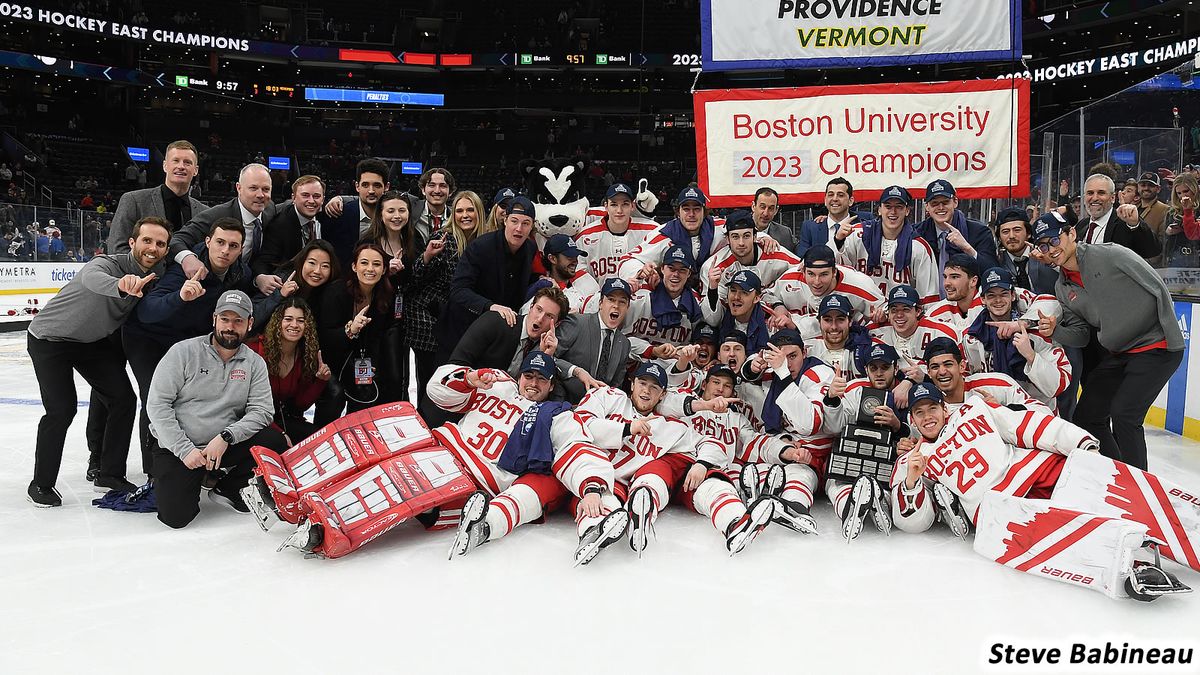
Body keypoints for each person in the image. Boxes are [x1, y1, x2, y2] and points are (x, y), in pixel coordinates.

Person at [891, 383, 1196, 601]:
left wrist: (1080, 443)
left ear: (945, 408)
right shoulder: (912, 460)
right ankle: (1132, 567)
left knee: (1112, 491)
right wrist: (912, 483)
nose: (927, 416)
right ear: (911, 420)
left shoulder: (974, 410)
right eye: (919, 412)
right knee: (1049, 527)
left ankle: (1184, 526)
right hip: (1002, 508)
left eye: (932, 408)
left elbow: (1026, 425)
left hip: (1041, 471)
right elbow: (913, 522)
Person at [25, 217, 169, 506]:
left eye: (160, 243)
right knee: (62, 410)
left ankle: (109, 474)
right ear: (132, 242)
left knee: (123, 399)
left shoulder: (158, 274)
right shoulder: (107, 264)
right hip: (49, 339)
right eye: (147, 240)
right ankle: (40, 484)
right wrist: (122, 285)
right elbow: (92, 279)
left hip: (90, 343)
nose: (153, 248)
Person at [1032, 212, 1185, 471]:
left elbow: (1157, 286)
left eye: (1055, 240)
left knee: (1124, 415)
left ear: (1071, 234)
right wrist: (1055, 331)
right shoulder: (1062, 288)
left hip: (1156, 347)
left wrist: (1170, 336)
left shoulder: (1110, 254)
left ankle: (1140, 486)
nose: (1051, 249)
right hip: (1121, 354)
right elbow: (1081, 335)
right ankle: (1119, 472)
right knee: (1087, 416)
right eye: (1044, 246)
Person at [145, 290, 287, 528]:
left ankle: (228, 488)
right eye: (225, 319)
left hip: (222, 446)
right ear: (214, 319)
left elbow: (262, 411)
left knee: (274, 441)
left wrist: (226, 437)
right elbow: (158, 405)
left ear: (249, 323)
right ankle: (197, 476)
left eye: (238, 320)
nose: (230, 327)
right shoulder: (183, 352)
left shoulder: (254, 363)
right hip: (182, 448)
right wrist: (184, 450)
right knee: (176, 518)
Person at [432, 351, 589, 558]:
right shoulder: (497, 382)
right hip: (441, 451)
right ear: (519, 376)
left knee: (430, 509)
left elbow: (575, 444)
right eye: (528, 376)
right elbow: (436, 391)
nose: (533, 383)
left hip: (478, 481)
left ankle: (466, 519)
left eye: (542, 379)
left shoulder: (552, 413)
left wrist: (591, 487)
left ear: (551, 386)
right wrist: (469, 380)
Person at [408, 190, 485, 421]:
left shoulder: (486, 240)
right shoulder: (445, 238)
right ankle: (426, 424)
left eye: (470, 210)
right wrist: (427, 257)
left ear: (479, 212)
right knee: (432, 383)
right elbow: (416, 278)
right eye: (459, 210)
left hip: (462, 323)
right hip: (430, 323)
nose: (464, 215)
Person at [437, 196, 537, 356]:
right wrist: (490, 306)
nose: (519, 228)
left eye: (525, 223)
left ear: (532, 226)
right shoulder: (480, 246)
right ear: (505, 220)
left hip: (498, 335)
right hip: (461, 331)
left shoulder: (530, 248)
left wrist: (544, 281)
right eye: (514, 221)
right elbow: (458, 290)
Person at [964, 268, 1072, 408]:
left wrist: (1031, 355)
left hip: (1037, 413)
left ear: (1013, 296)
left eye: (1004, 294)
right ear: (983, 299)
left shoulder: (1036, 335)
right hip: (994, 412)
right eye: (991, 296)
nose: (998, 300)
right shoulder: (972, 337)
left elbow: (1058, 385)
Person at [169, 163, 283, 292]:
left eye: (266, 189)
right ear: (239, 188)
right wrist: (188, 259)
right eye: (253, 188)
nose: (260, 195)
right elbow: (176, 240)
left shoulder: (269, 209)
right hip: (207, 288)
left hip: (247, 286)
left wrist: (258, 277)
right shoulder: (216, 215)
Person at [317, 243, 396, 420]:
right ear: (354, 266)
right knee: (335, 395)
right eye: (364, 263)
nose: (370, 269)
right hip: (330, 360)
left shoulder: (384, 295)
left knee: (368, 394)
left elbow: (377, 337)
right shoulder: (336, 292)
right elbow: (325, 338)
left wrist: (372, 364)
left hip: (360, 360)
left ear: (384, 269)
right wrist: (350, 330)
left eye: (377, 264)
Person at [833, 185, 939, 305]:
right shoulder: (856, 234)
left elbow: (929, 297)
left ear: (907, 211)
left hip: (900, 313)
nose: (893, 212)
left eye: (899, 207)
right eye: (888, 206)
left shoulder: (919, 247)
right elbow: (834, 272)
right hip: (860, 311)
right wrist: (838, 241)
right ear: (879, 209)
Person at [246, 298, 331, 445]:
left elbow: (300, 404)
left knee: (320, 439)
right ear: (277, 322)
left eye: (300, 321)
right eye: (288, 319)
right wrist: (281, 434)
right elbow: (247, 405)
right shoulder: (255, 350)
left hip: (282, 419)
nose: (294, 325)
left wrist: (320, 381)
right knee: (279, 442)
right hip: (252, 420)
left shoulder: (305, 355)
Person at [360, 191, 419, 402]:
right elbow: (358, 275)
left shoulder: (414, 240)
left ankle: (396, 411)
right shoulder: (368, 240)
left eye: (402, 210)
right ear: (381, 214)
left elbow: (417, 277)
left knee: (397, 376)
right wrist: (384, 270)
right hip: (373, 315)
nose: (396, 216)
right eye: (391, 211)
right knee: (372, 373)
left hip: (401, 318)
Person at [106, 140, 204, 252]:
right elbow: (117, 249)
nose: (181, 166)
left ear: (196, 170)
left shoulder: (204, 212)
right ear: (165, 166)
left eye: (187, 162)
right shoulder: (133, 201)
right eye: (175, 161)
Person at [448, 286, 569, 374]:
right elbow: (455, 365)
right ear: (531, 307)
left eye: (549, 316)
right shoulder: (496, 322)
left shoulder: (548, 347)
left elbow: (538, 391)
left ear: (557, 324)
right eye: (539, 309)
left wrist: (545, 357)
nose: (540, 318)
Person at [765, 245, 885, 329]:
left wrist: (882, 316)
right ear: (803, 271)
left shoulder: (859, 284)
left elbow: (886, 309)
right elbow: (766, 295)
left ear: (834, 272)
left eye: (824, 274)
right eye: (811, 274)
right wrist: (778, 306)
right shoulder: (790, 278)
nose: (817, 282)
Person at [552, 278, 634, 401]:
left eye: (622, 302)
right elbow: (545, 356)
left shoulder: (624, 344)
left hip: (598, 408)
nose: (616, 306)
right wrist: (575, 371)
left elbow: (616, 387)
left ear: (627, 307)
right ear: (600, 303)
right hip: (561, 402)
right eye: (611, 299)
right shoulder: (577, 323)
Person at [922, 337, 1050, 414]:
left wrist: (1002, 410)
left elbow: (1043, 411)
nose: (942, 371)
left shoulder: (996, 383)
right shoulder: (926, 407)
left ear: (962, 366)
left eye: (948, 364)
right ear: (928, 372)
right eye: (935, 367)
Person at [915, 179, 1000, 290]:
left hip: (969, 297)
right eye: (934, 203)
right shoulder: (917, 233)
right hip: (928, 297)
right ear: (927, 206)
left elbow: (992, 273)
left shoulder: (980, 232)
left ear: (955, 202)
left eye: (945, 202)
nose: (940, 207)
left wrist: (967, 248)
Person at [700, 210, 801, 302]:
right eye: (735, 237)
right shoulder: (713, 268)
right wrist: (712, 290)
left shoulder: (775, 254)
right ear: (727, 239)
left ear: (755, 237)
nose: (741, 243)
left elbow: (803, 270)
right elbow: (712, 316)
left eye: (746, 236)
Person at [577, 182, 662, 286]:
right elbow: (578, 273)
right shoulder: (585, 236)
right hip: (600, 295)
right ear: (606, 206)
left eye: (625, 204)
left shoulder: (651, 231)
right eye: (614, 204)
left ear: (632, 206)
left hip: (641, 295)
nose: (619, 210)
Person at [252, 175, 328, 279]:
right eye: (305, 195)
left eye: (316, 196)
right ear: (294, 198)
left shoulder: (328, 217)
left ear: (323, 199)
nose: (311, 201)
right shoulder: (279, 225)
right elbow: (264, 261)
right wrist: (261, 277)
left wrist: (340, 199)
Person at [1073, 173, 1160, 259]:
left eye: (1101, 193)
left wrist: (1135, 224)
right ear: (1084, 198)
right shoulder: (1081, 225)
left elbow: (1152, 251)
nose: (1095, 198)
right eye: (1090, 193)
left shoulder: (1125, 223)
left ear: (1112, 198)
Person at [524, 234, 598, 313]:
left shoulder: (584, 278)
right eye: (569, 257)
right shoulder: (541, 293)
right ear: (552, 259)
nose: (575, 262)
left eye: (576, 257)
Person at [994, 206, 1057, 294]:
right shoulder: (997, 262)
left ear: (1029, 233)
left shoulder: (1047, 253)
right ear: (999, 238)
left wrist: (1050, 262)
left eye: (1017, 230)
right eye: (1005, 232)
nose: (1011, 236)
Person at [797, 177, 863, 258]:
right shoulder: (810, 227)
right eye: (830, 195)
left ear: (850, 201)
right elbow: (802, 258)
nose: (834, 199)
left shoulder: (863, 224)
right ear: (825, 200)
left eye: (840, 195)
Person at [1162, 172, 1200, 268]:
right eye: (1179, 193)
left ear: (1194, 190)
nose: (1183, 196)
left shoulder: (1198, 210)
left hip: (1196, 257)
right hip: (1176, 257)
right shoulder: (1172, 211)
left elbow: (1194, 233)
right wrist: (1168, 232)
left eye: (1186, 191)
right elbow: (1164, 240)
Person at [1136, 170, 1170, 264]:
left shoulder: (1165, 210)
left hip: (1151, 264)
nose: (1146, 188)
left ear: (1158, 189)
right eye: (1143, 185)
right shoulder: (1133, 208)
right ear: (1138, 187)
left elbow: (1163, 242)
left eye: (1151, 185)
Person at [750, 186, 797, 252]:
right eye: (762, 207)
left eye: (771, 208)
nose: (765, 213)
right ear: (753, 206)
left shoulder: (785, 233)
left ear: (776, 210)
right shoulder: (739, 229)